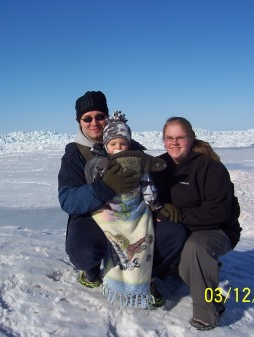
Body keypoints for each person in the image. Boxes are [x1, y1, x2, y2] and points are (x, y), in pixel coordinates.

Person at [58, 91, 188, 307]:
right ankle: (91, 273)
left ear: (108, 117)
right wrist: (103, 188)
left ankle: (145, 278)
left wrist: (161, 204)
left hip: (133, 215)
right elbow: (68, 200)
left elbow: (150, 182)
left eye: (99, 116)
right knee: (83, 249)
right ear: (78, 121)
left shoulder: (132, 149)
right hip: (96, 217)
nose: (94, 123)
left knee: (174, 233)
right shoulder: (75, 155)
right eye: (87, 118)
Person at [151, 117, 242, 330]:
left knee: (195, 249)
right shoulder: (158, 166)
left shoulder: (211, 168)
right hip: (181, 229)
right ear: (163, 141)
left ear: (191, 138)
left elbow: (219, 212)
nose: (174, 142)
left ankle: (209, 310)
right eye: (169, 138)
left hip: (216, 230)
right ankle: (159, 275)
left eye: (180, 137)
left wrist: (179, 215)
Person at [84, 111, 167, 308]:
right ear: (106, 146)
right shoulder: (100, 164)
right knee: (110, 236)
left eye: (122, 144)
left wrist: (153, 203)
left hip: (135, 207)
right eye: (113, 144)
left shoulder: (139, 163)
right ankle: (111, 275)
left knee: (143, 235)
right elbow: (92, 184)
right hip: (111, 208)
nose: (118, 148)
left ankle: (142, 281)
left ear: (129, 144)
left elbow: (147, 185)